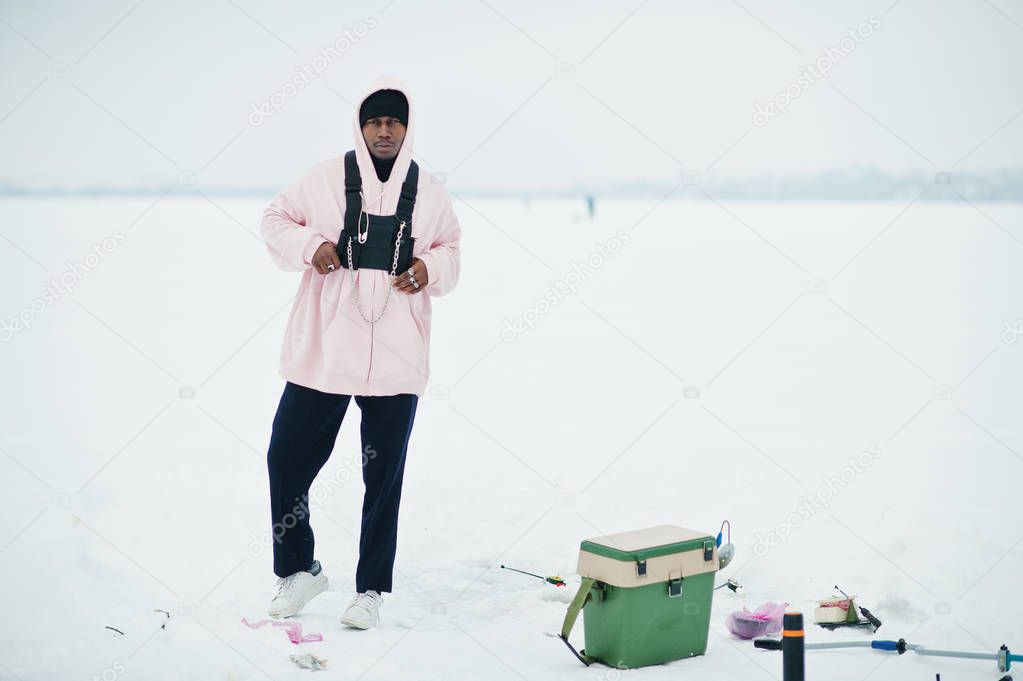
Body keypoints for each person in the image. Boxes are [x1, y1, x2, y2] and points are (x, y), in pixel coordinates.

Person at [258, 75, 461, 630]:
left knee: (383, 478)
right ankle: (299, 570)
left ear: (407, 128)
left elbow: (451, 249)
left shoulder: (430, 191)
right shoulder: (324, 178)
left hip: (397, 357)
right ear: (360, 126)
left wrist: (430, 268)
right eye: (374, 121)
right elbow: (274, 220)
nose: (384, 130)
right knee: (286, 459)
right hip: (324, 350)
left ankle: (368, 590)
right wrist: (313, 246)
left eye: (394, 121)